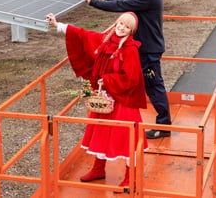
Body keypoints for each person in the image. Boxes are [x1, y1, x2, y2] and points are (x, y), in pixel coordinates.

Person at [46, 11, 148, 190]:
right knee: (101, 132)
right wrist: (58, 25)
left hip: (123, 100)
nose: (121, 28)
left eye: (126, 26)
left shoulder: (130, 50)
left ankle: (130, 177)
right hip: (106, 99)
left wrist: (108, 80)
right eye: (120, 24)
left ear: (131, 31)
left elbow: (132, 79)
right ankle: (98, 169)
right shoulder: (107, 39)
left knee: (126, 138)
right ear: (116, 23)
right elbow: (84, 35)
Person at [83, 0, 171, 139]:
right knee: (137, 82)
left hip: (148, 52)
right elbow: (127, 0)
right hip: (145, 49)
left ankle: (164, 126)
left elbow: (122, 6)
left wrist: (93, 2)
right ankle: (127, 118)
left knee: (153, 86)